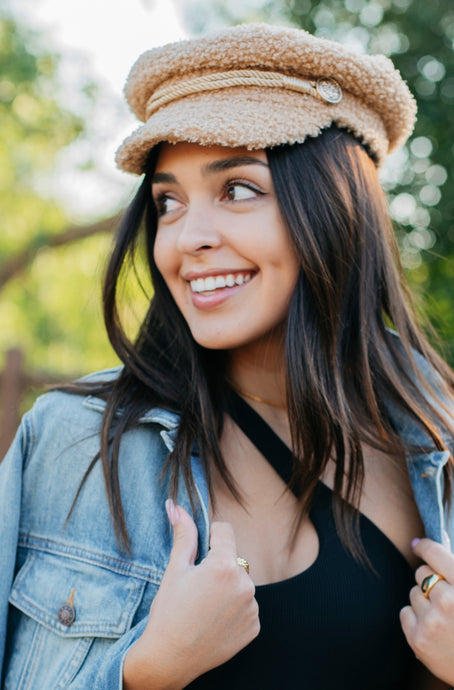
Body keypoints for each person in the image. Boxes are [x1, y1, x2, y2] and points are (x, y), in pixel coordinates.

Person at [1, 21, 454, 690]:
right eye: (168, 202)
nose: (189, 237)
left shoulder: (433, 435)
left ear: (334, 207)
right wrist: (143, 671)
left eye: (238, 189)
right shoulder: (72, 444)